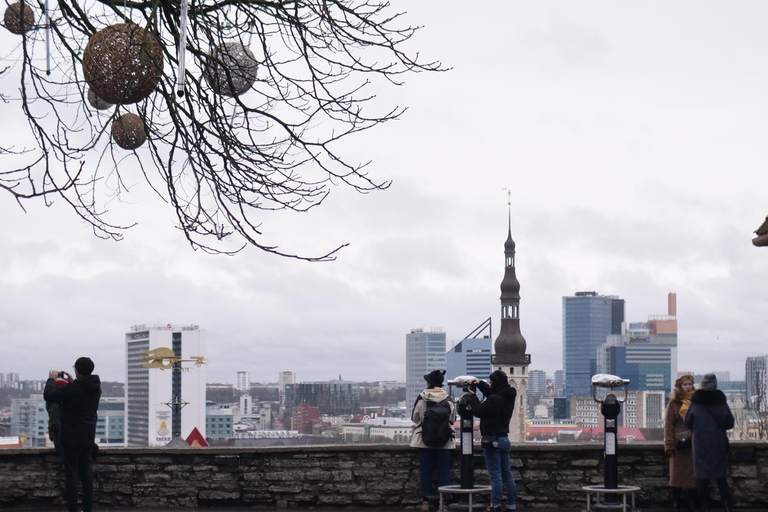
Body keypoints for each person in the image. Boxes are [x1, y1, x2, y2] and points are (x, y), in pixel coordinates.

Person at [44, 357, 102, 512]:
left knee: (72, 475)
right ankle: (88, 509)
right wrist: (72, 382)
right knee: (86, 474)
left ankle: (73, 509)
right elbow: (80, 396)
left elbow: (49, 396)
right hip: (88, 436)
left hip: (71, 437)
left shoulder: (75, 388)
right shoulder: (96, 387)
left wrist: (51, 380)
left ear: (77, 370)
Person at [466, 370, 518, 512]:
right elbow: (493, 395)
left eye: (490, 382)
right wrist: (481, 384)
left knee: (495, 476)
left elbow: (478, 410)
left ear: (495, 383)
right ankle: (511, 505)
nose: (490, 384)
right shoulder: (508, 395)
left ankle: (496, 505)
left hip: (491, 439)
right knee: (507, 474)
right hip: (504, 438)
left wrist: (472, 397)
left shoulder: (495, 399)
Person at [684, 373, 734, 512]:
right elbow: (729, 423)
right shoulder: (721, 402)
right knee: (721, 477)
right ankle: (727, 505)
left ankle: (705, 506)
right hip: (718, 444)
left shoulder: (695, 403)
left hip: (700, 444)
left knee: (702, 478)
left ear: (702, 385)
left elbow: (687, 422)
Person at [410, 369, 456, 511]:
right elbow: (453, 420)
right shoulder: (448, 400)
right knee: (444, 472)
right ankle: (445, 503)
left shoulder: (422, 398)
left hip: (424, 440)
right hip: (445, 441)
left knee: (426, 471)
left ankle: (426, 501)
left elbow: (415, 418)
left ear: (429, 383)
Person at [664, 374, 697, 512]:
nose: (688, 387)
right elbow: (669, 424)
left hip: (694, 443)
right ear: (680, 387)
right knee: (677, 476)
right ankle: (675, 501)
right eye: (685, 385)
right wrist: (670, 445)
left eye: (690, 384)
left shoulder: (696, 401)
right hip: (679, 443)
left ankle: (692, 502)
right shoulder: (674, 403)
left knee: (693, 476)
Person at [46, 373, 69, 456]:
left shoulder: (54, 404)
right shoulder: (57, 405)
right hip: (64, 443)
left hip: (63, 442)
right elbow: (55, 425)